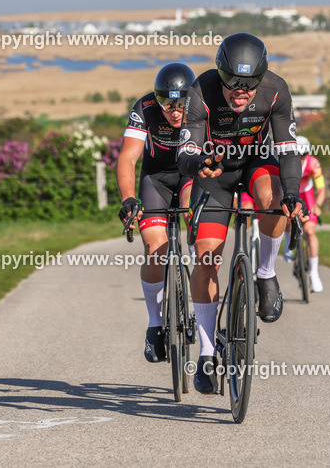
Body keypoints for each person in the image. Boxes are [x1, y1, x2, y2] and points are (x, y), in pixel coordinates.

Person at [177, 32, 306, 394]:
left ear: (261, 79)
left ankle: (265, 273)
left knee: (277, 197)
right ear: (220, 74)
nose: (240, 90)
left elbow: (288, 150)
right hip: (213, 173)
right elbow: (184, 152)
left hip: (254, 165)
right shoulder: (201, 90)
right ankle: (205, 352)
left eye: (249, 84)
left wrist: (294, 193)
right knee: (205, 259)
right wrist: (199, 161)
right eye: (232, 82)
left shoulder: (276, 90)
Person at [116, 63, 196, 362]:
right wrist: (128, 199)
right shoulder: (145, 108)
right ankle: (154, 323)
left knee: (194, 217)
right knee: (154, 248)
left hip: (191, 176)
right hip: (157, 179)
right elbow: (128, 157)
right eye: (167, 104)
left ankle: (199, 280)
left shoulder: (202, 106)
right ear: (157, 99)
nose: (175, 112)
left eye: (181, 105)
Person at [284, 135, 327, 292]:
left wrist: (317, 205)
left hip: (307, 194)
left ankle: (314, 272)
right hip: (291, 193)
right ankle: (288, 239)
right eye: (297, 156)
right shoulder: (285, 161)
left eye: (303, 156)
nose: (300, 159)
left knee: (309, 231)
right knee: (288, 218)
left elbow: (321, 189)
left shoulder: (313, 163)